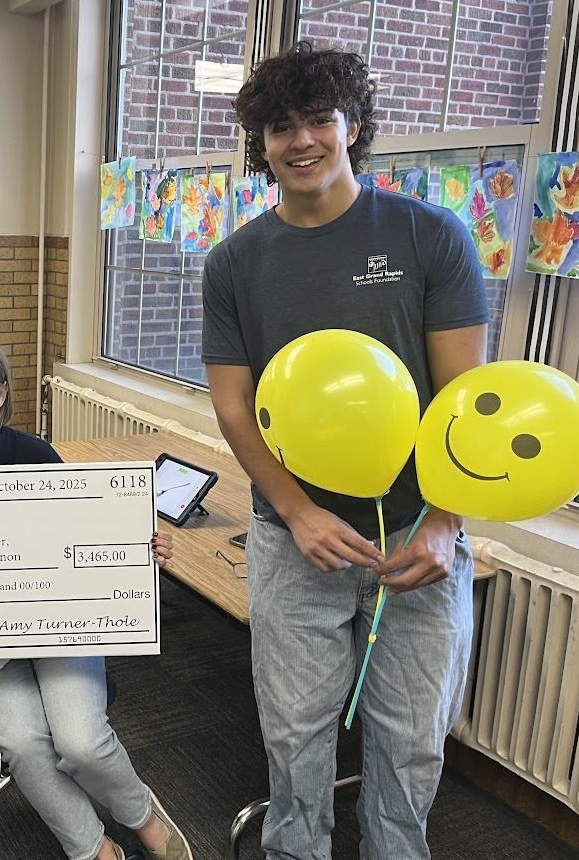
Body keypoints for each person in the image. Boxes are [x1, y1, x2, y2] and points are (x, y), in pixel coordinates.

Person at [201, 42, 487, 860]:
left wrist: (443, 521)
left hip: (418, 532)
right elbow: (233, 406)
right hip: (294, 536)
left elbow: (461, 404)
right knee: (294, 732)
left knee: (411, 737)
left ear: (351, 126)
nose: (299, 141)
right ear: (259, 142)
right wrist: (296, 512)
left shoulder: (430, 236)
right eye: (278, 126)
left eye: (317, 120)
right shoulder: (234, 262)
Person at [0, 334, 192, 860]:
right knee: (24, 744)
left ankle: (142, 815)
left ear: (2, 393)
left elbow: (80, 537)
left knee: (81, 744)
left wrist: (137, 546)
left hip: (57, 630)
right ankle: (94, 849)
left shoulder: (35, 456)